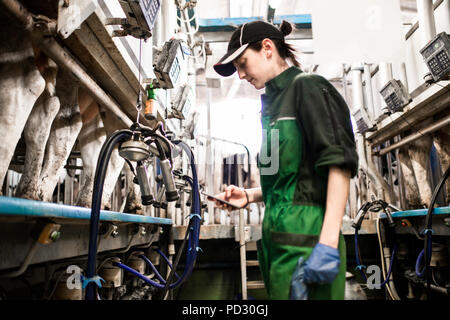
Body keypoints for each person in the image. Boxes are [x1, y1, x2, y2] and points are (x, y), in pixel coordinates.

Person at [211, 20, 358, 300]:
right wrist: (249, 195)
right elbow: (289, 180)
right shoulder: (274, 107)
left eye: (243, 63)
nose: (240, 75)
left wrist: (327, 243)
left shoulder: (308, 87)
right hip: (276, 244)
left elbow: (339, 164)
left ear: (267, 48)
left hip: (309, 242)